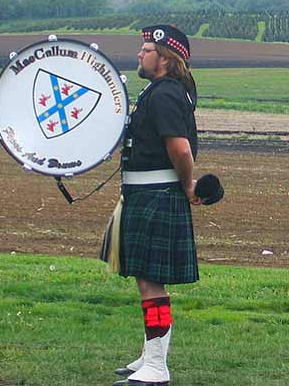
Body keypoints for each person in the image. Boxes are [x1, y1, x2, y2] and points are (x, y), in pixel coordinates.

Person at [113, 24, 201, 386]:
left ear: (165, 58)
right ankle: (150, 357)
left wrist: (187, 185)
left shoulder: (165, 94)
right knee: (147, 281)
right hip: (146, 195)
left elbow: (180, 149)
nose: (140, 53)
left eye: (146, 49)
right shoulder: (158, 91)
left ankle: (156, 368)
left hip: (157, 195)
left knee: (152, 284)